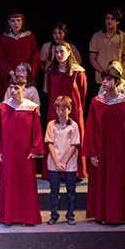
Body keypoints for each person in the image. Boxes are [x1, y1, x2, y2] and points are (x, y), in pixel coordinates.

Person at [82, 65, 125, 225]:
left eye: (108, 79)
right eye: (103, 79)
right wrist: (91, 152)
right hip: (100, 149)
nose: (104, 82)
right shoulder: (96, 102)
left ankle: (116, 216)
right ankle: (102, 215)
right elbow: (90, 127)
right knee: (101, 181)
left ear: (117, 82)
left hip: (118, 150)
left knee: (115, 183)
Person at [0, 78, 44, 226]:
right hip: (8, 152)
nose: (13, 91)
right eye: (11, 88)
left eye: (16, 88)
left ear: (23, 90)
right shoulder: (3, 108)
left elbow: (36, 131)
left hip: (25, 152)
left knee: (25, 184)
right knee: (9, 184)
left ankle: (27, 218)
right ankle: (8, 217)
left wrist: (35, 149)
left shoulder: (31, 108)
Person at [44, 42, 87, 179]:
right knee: (55, 137)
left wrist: (76, 109)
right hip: (55, 111)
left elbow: (82, 93)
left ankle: (77, 171)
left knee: (73, 138)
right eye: (57, 52)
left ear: (69, 53)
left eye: (62, 51)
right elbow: (50, 93)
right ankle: (55, 170)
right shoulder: (51, 72)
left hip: (74, 111)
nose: (59, 55)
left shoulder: (78, 72)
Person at [44, 96, 80, 226]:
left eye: (64, 109)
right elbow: (50, 144)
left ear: (69, 110)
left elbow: (74, 145)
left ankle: (70, 215)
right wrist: (57, 162)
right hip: (54, 163)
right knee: (54, 191)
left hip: (69, 164)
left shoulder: (74, 126)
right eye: (58, 109)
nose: (61, 112)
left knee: (71, 191)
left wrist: (64, 162)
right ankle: (54, 215)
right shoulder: (51, 125)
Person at [0, 11, 39, 97]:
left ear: (22, 22)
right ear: (9, 22)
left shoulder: (29, 36)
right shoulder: (4, 38)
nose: (16, 23)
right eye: (13, 21)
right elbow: (0, 57)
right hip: (10, 76)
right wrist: (12, 73)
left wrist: (27, 72)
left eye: (18, 20)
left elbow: (35, 55)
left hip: (26, 77)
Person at [89, 8, 125, 84]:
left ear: (117, 21)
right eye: (107, 18)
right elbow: (92, 58)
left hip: (119, 79)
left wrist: (116, 72)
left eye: (112, 19)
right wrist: (103, 72)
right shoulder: (97, 36)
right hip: (101, 79)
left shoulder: (124, 37)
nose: (109, 21)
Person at [39, 22, 82, 91]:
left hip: (67, 80)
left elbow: (77, 63)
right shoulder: (46, 46)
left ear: (65, 34)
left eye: (60, 33)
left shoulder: (71, 47)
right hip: (52, 80)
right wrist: (50, 73)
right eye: (55, 33)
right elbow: (41, 62)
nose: (57, 35)